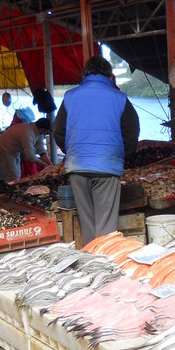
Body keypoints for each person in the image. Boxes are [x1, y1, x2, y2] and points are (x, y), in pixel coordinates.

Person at [52, 55, 140, 245]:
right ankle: (105, 269)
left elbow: (57, 130)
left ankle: (91, 268)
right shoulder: (120, 98)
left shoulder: (70, 96)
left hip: (77, 167)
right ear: (109, 76)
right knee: (106, 229)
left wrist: (74, 150)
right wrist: (124, 156)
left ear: (85, 74)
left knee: (88, 226)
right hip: (107, 167)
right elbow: (132, 131)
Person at [0, 117, 52, 182]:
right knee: (14, 176)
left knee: (17, 175)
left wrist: (50, 164)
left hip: (14, 151)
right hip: (4, 149)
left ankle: (14, 189)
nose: (45, 133)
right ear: (43, 129)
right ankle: (12, 190)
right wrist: (45, 165)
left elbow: (41, 150)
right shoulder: (27, 132)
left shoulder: (37, 132)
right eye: (46, 131)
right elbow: (30, 156)